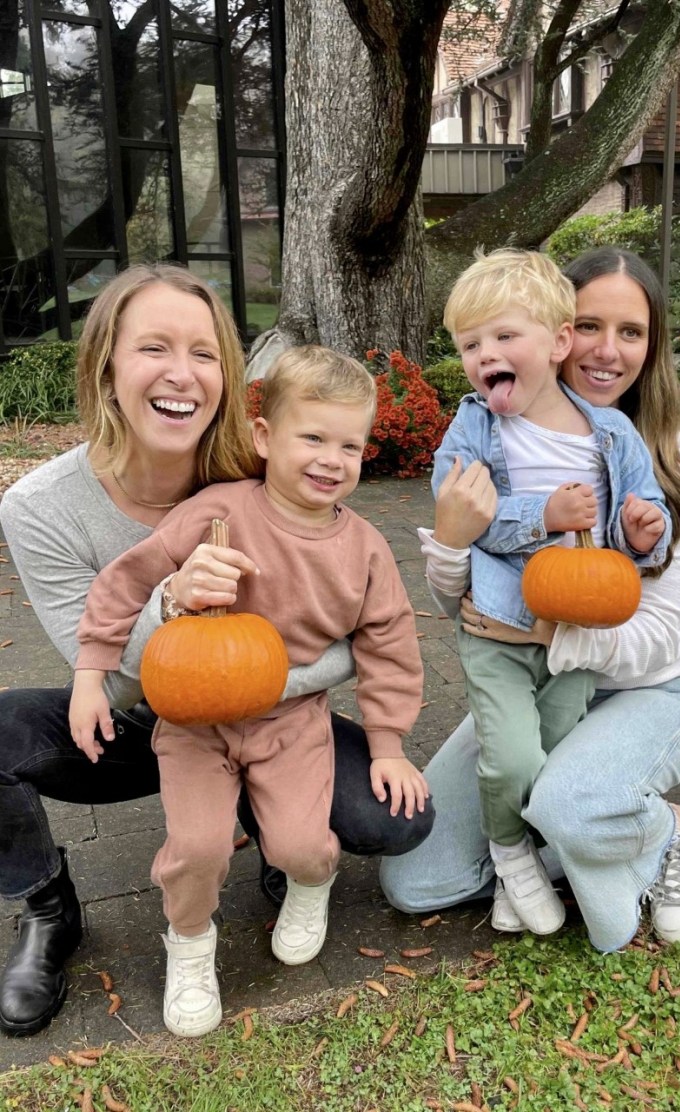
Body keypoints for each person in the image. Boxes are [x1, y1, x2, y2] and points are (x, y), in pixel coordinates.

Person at [0, 265, 434, 1038]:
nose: (181, 373)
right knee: (14, 740)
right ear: (106, 365)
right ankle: (51, 909)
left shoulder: (260, 473)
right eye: (154, 347)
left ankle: (288, 845)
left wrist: (360, 723)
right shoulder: (42, 507)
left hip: (283, 707)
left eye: (204, 353)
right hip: (146, 716)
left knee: (383, 818)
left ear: (229, 379)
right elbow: (100, 639)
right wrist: (161, 610)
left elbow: (371, 629)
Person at [381, 246, 680, 954]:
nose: (605, 350)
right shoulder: (490, 431)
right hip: (523, 669)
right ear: (560, 330)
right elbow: (465, 609)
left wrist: (550, 634)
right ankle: (569, 830)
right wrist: (450, 541)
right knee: (418, 880)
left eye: (630, 332)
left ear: (651, 349)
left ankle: (669, 832)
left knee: (562, 801)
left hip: (640, 686)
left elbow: (655, 631)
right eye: (591, 324)